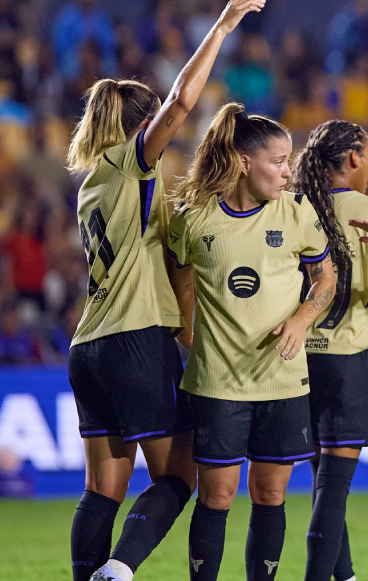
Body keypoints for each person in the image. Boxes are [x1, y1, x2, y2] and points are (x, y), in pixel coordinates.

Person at [64, 2, 264, 580]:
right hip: (134, 340)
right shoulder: (130, 166)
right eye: (151, 123)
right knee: (179, 476)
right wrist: (222, 27)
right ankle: (121, 569)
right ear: (137, 128)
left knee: (103, 486)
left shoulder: (92, 186)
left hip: (89, 346)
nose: (164, 130)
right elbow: (181, 101)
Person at [166, 102, 336, 581]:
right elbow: (178, 279)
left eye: (289, 161)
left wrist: (302, 320)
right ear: (244, 161)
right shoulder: (194, 217)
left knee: (270, 495)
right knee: (216, 496)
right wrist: (186, 331)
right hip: (219, 385)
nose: (288, 172)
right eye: (278, 162)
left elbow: (325, 279)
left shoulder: (298, 213)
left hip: (283, 383)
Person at [291, 119, 368, 581]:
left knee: (321, 483)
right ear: (353, 158)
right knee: (333, 487)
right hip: (348, 355)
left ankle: (345, 576)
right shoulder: (367, 210)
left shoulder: (292, 208)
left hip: (297, 358)